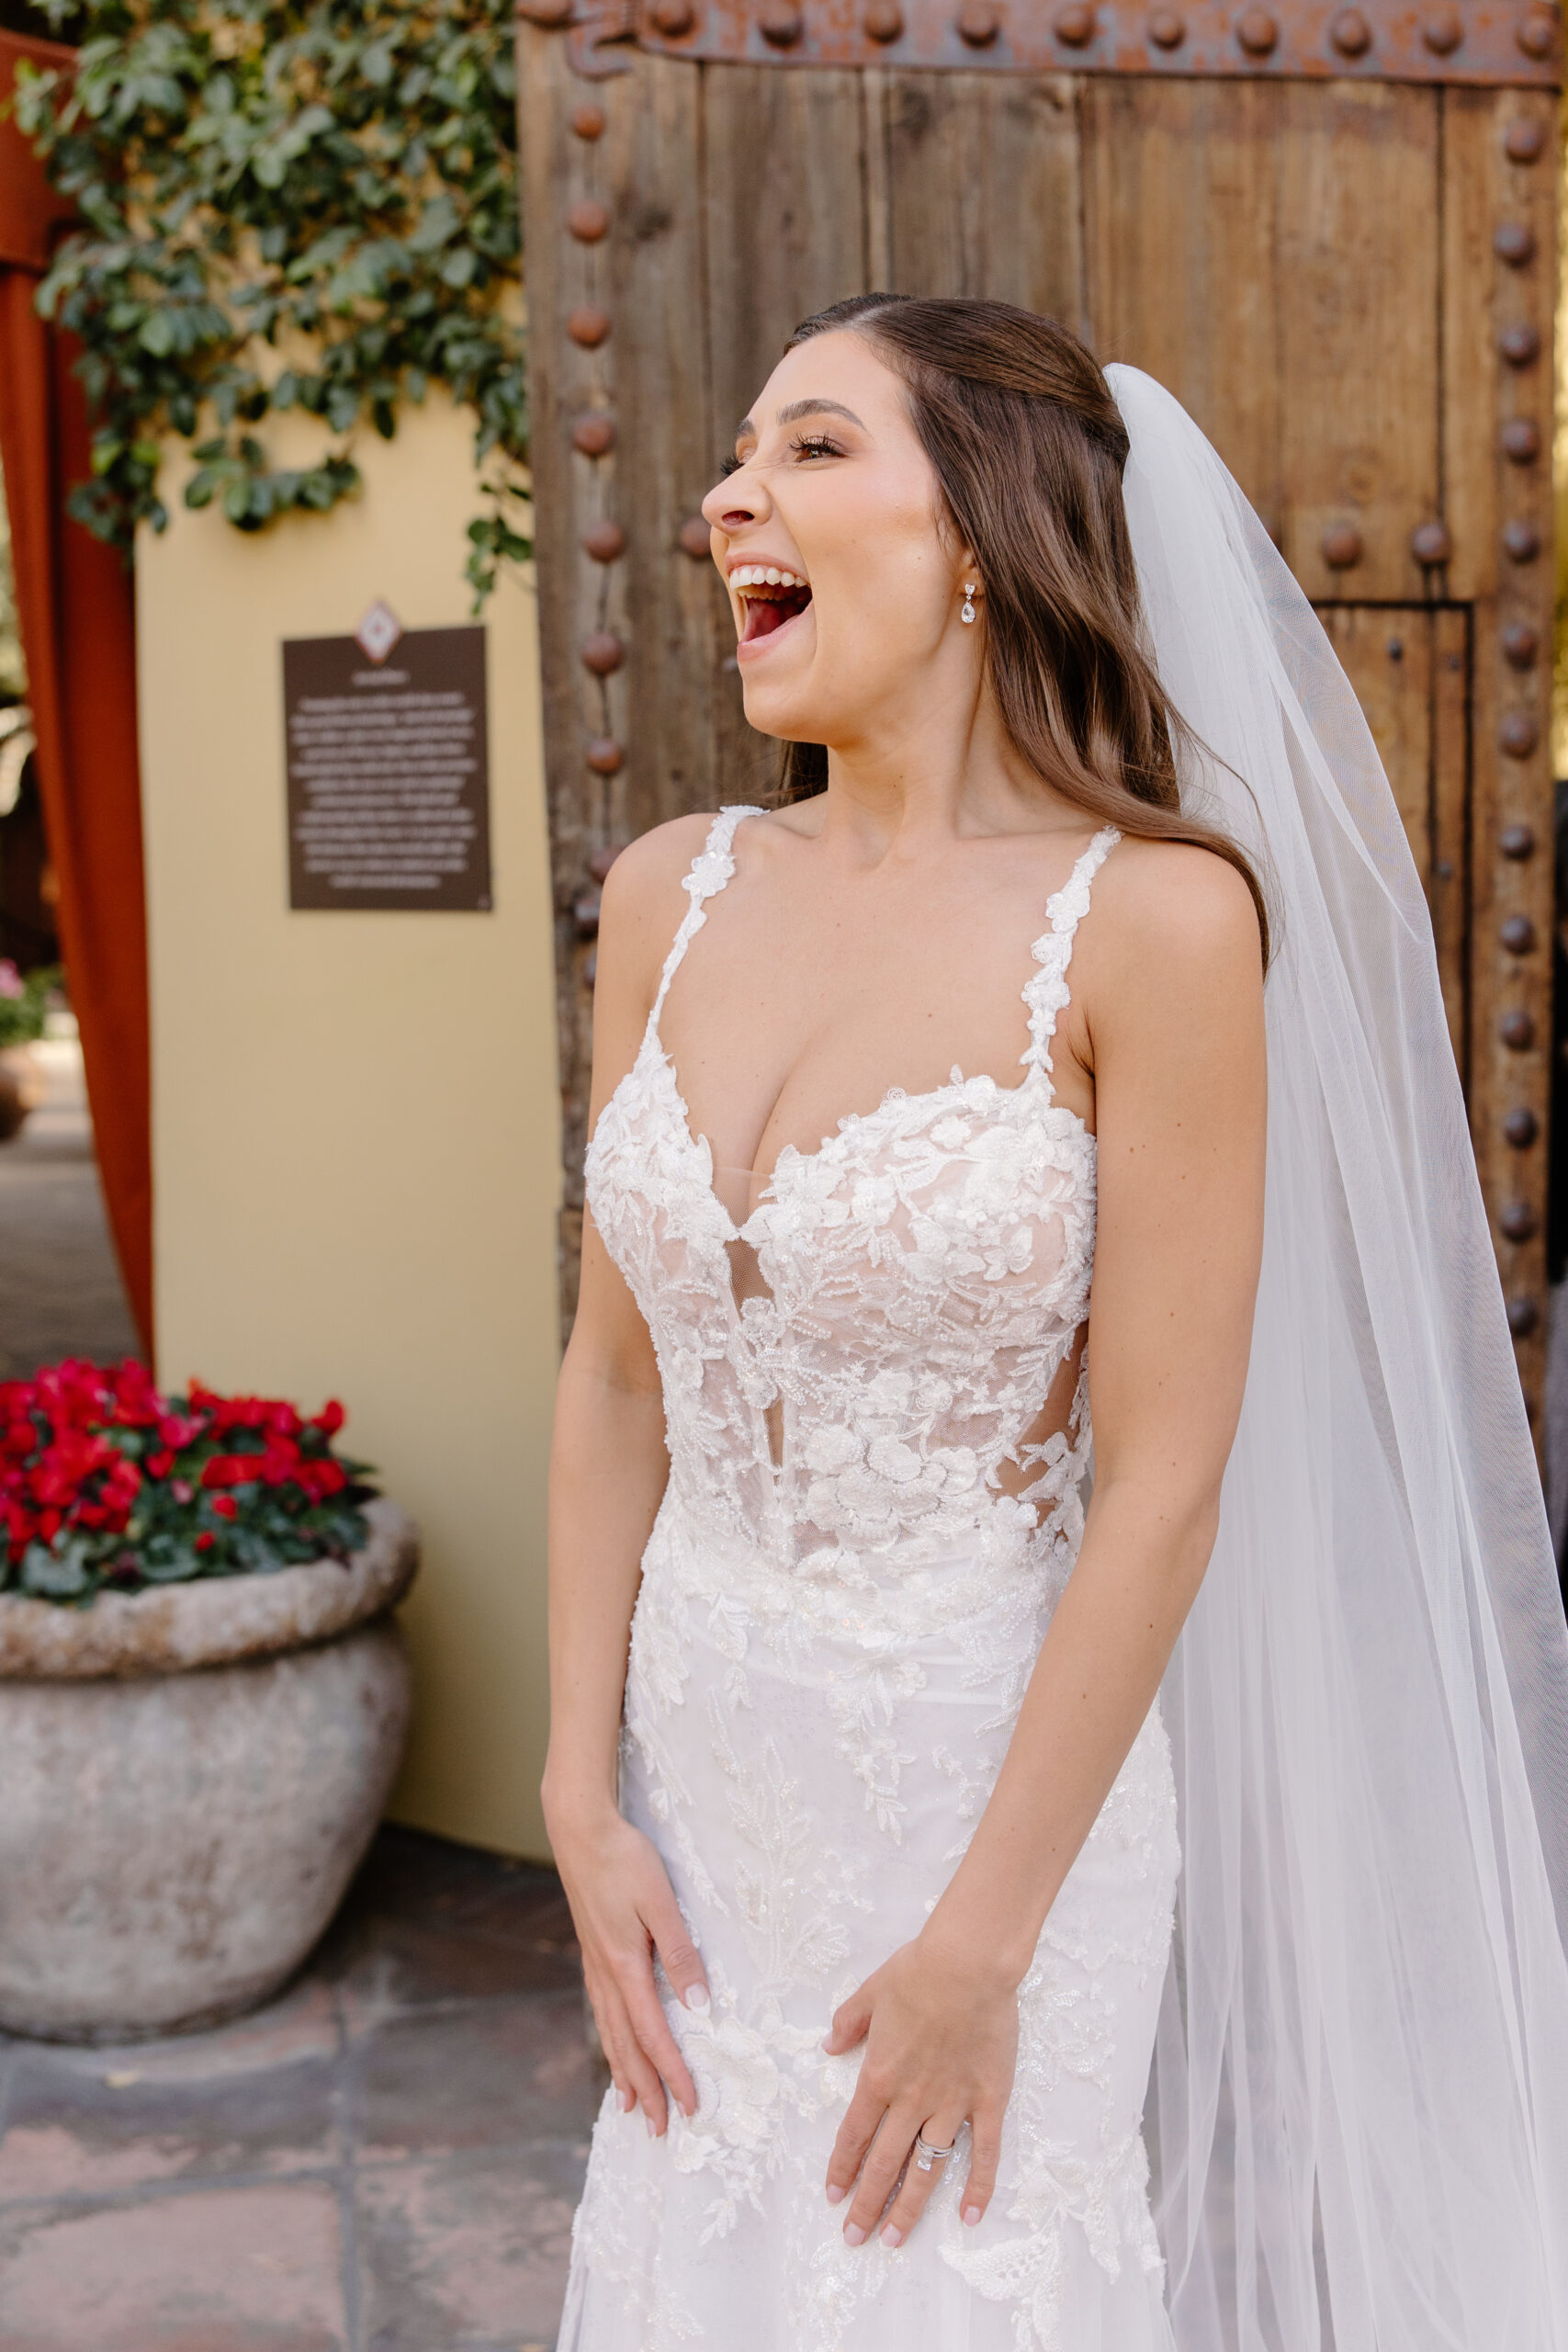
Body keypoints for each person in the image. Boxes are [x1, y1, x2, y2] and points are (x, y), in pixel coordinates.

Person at [547, 297, 1568, 2351]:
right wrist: (578, 1795)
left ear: (985, 544)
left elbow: (1162, 1487)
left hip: (988, 1811)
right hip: (705, 1801)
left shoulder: (1155, 922)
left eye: (813, 448)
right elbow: (612, 1374)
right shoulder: (669, 890)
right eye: (738, 452)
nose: (728, 495)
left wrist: (977, 1941)